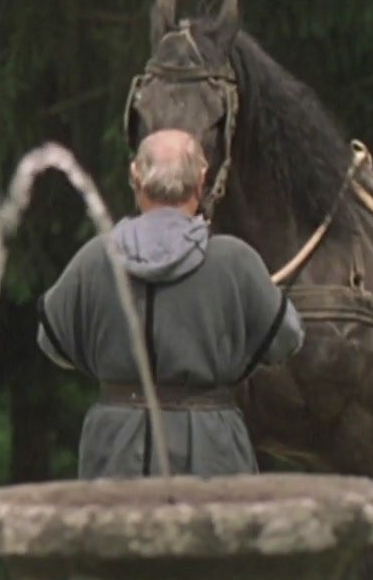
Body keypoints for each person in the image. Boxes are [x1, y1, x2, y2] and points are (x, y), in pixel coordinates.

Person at [38, 129, 303, 478]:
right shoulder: (236, 262)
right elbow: (286, 339)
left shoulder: (93, 260)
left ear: (136, 177)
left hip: (114, 453)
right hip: (212, 453)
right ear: (202, 179)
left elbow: (51, 341)